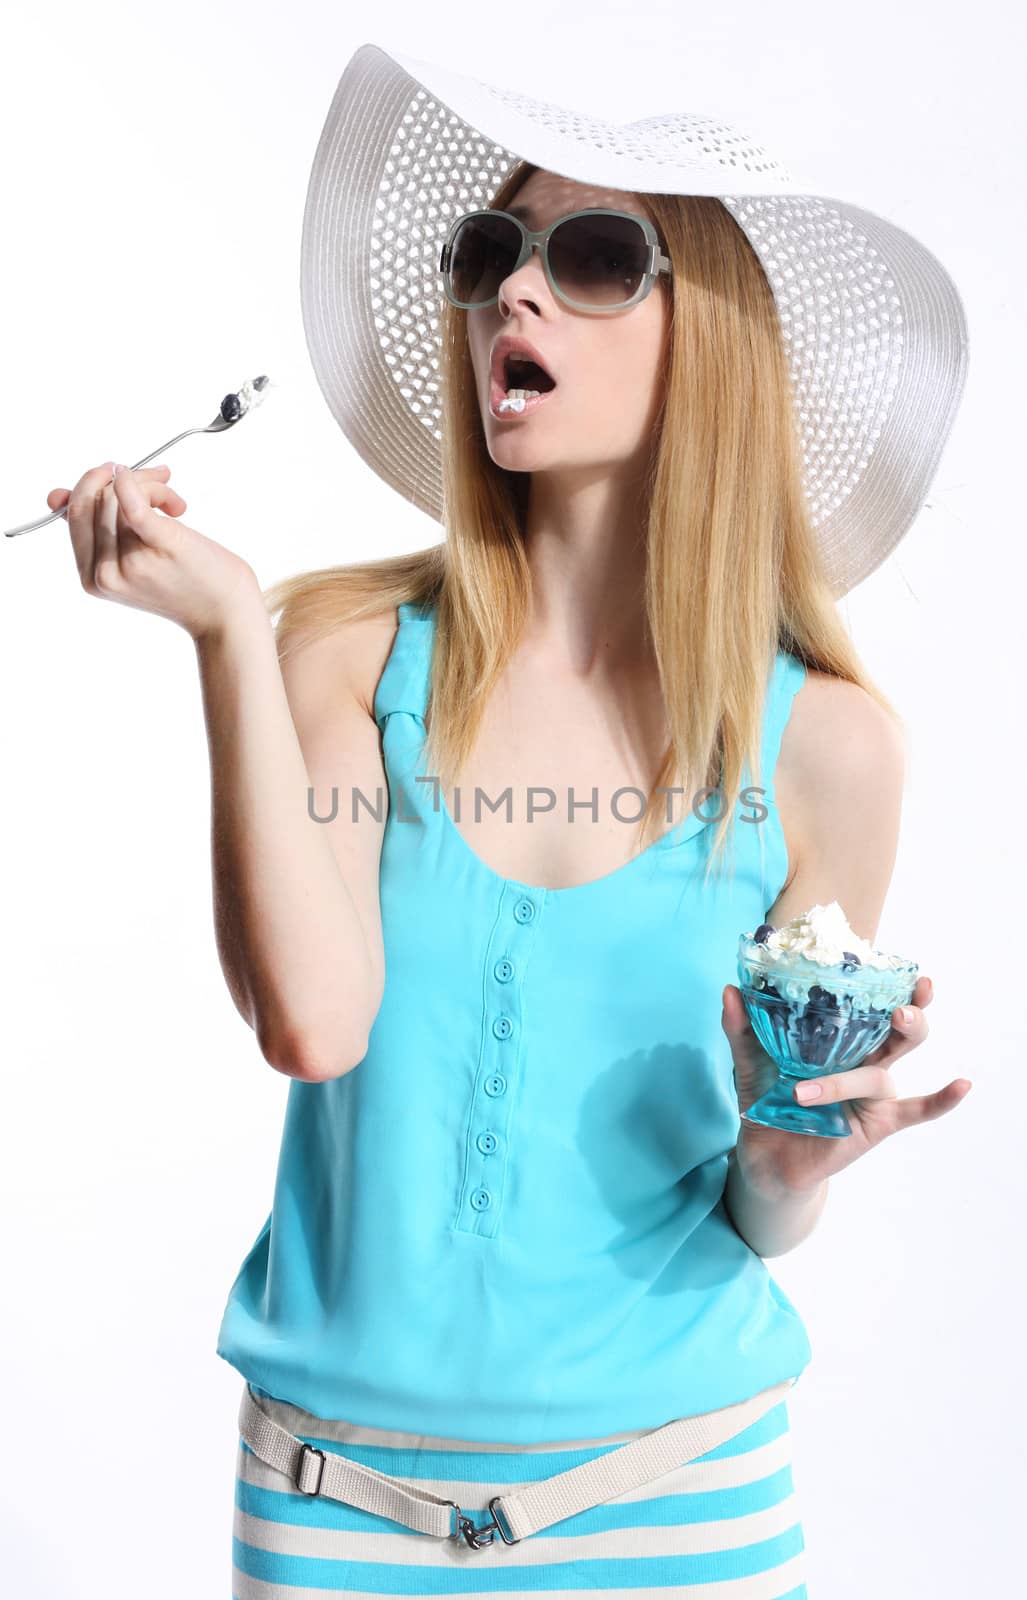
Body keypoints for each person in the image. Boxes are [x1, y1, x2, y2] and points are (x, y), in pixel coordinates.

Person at [49, 42, 972, 1599]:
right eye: (492, 256)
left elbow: (760, 1195)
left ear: (714, 341)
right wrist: (225, 638)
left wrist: (787, 1164)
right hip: (338, 1503)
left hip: (682, 1500)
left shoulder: (831, 747)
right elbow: (314, 1027)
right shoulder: (339, 654)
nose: (515, 299)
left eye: (594, 259)